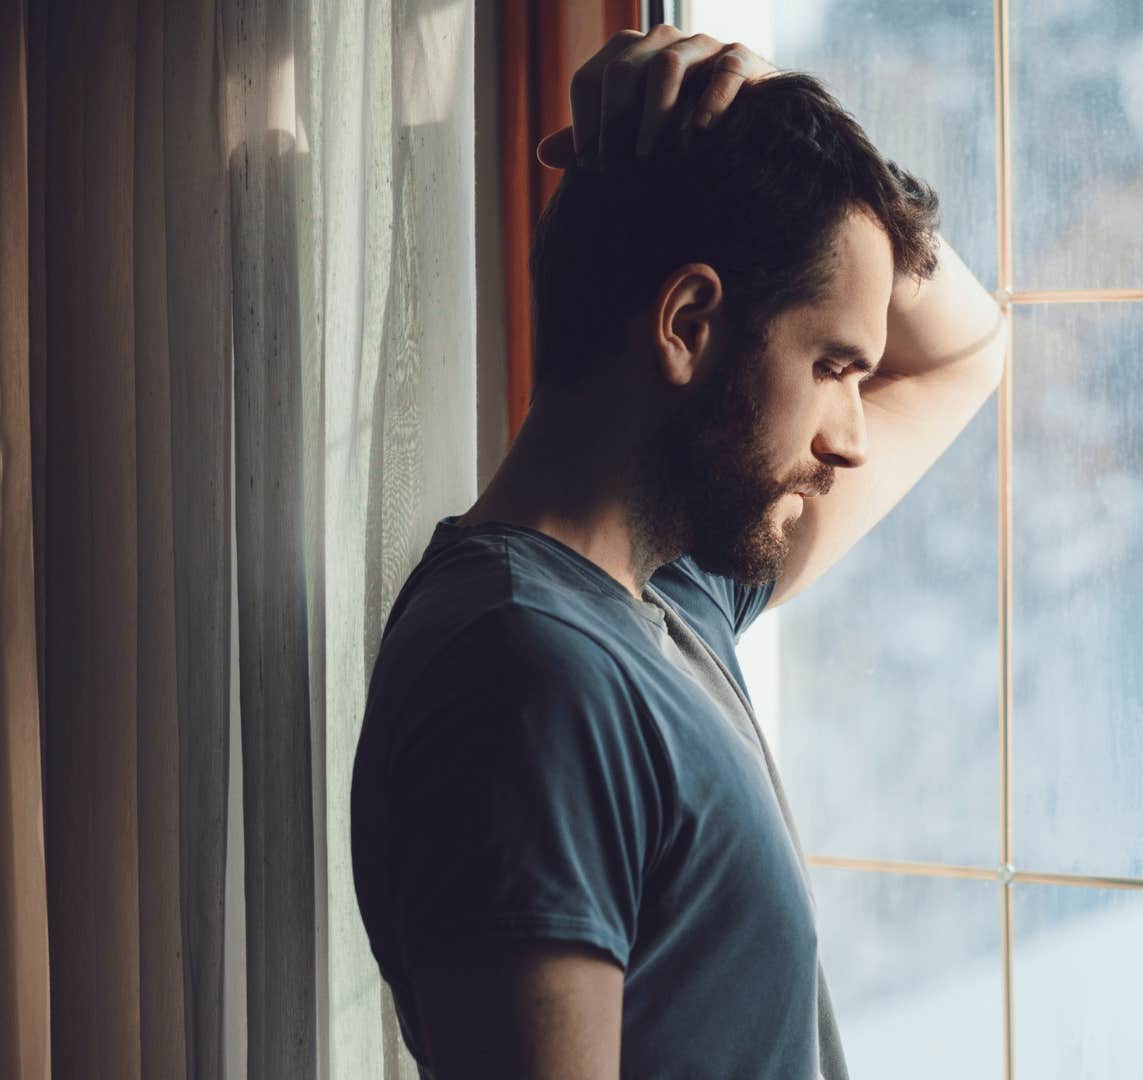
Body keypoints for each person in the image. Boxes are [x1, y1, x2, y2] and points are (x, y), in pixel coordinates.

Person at [348, 25, 1005, 1079]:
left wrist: (780, 112)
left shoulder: (674, 593)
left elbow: (968, 352)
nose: (850, 436)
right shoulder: (526, 676)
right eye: (834, 365)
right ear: (690, 320)